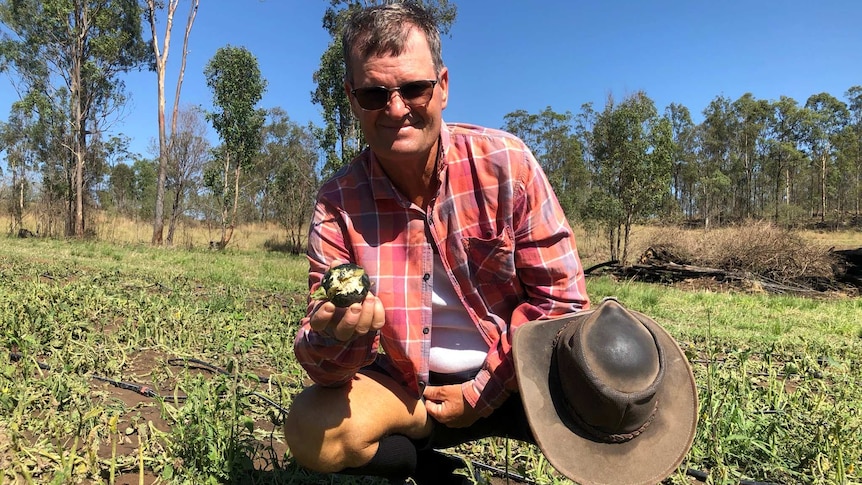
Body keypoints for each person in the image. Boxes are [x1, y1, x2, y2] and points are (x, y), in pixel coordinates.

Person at [284, 3, 589, 483]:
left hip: (518, 379)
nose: (396, 108)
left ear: (442, 87)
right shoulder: (338, 202)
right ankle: (431, 470)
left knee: (619, 386)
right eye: (374, 93)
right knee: (310, 430)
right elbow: (322, 367)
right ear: (351, 97)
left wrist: (480, 394)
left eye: (414, 88)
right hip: (413, 395)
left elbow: (562, 303)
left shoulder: (506, 165)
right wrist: (336, 334)